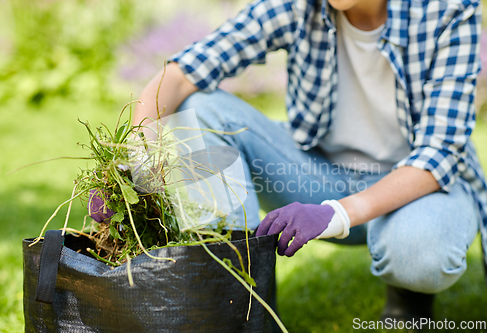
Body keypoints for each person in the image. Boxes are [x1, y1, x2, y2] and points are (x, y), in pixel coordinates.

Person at [133, 0, 487, 323]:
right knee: (202, 108)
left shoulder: (448, 11)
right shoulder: (297, 5)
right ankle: (237, 293)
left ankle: (407, 285)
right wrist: (133, 169)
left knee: (419, 255)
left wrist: (337, 213)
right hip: (319, 175)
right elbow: (178, 76)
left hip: (418, 190)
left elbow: (438, 153)